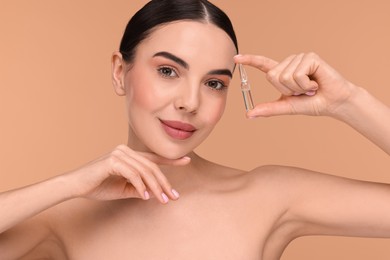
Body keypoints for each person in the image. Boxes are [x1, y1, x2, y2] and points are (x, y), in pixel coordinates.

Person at [1, 0, 389, 259]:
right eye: (168, 71)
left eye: (214, 83)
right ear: (121, 72)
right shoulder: (63, 215)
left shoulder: (269, 195)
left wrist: (348, 101)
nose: (190, 102)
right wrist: (68, 185)